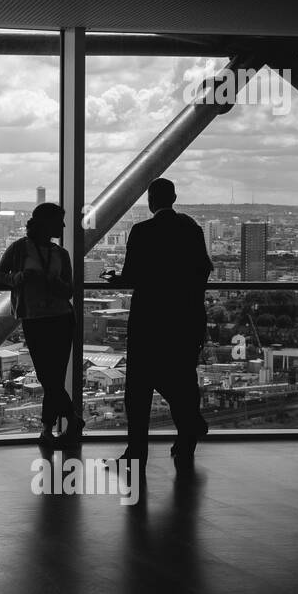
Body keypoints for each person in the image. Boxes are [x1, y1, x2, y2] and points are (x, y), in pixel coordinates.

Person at [107, 177, 212, 465]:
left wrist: (115, 279)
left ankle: (137, 450)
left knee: (139, 387)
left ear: (150, 201)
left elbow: (131, 276)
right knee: (182, 377)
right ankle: (187, 433)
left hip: (150, 319)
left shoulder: (142, 231)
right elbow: (204, 269)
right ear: (174, 198)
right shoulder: (192, 229)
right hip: (186, 318)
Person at [0, 203, 80, 449]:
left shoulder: (60, 253)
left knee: (52, 377)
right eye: (59, 221)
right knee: (48, 376)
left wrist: (49, 282)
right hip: (39, 319)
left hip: (57, 318)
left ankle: (47, 430)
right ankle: (69, 420)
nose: (63, 226)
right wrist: (18, 278)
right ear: (46, 223)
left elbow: (69, 290)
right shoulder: (20, 249)